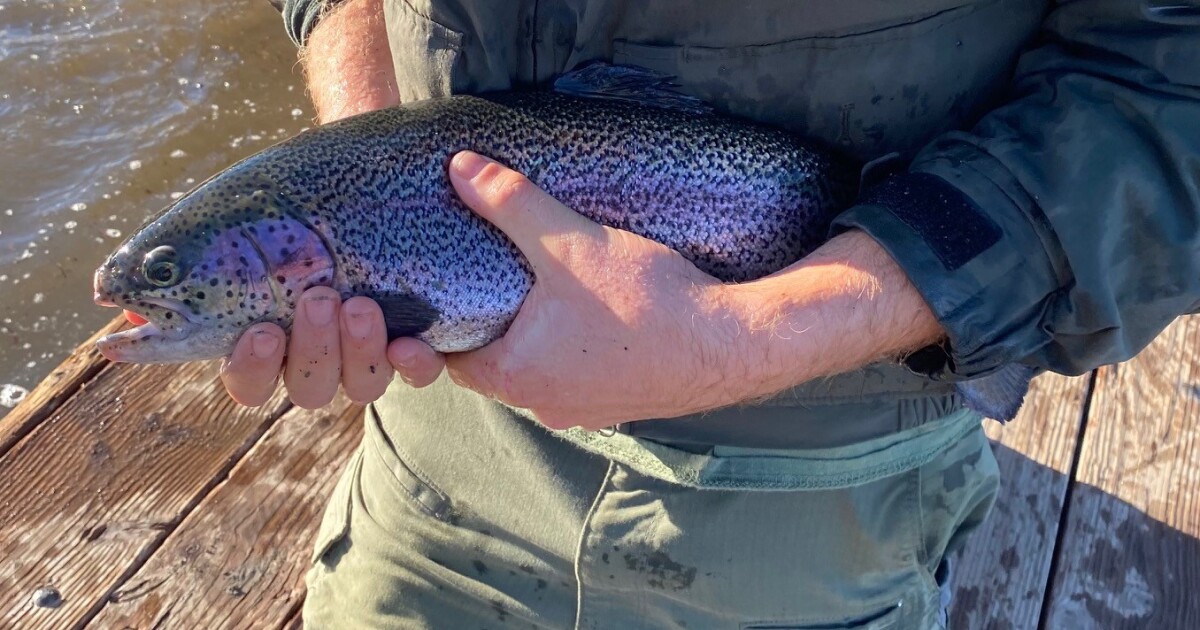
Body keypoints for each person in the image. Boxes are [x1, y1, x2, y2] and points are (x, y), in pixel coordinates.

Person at [227, 0, 1200, 627]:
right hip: (434, 472)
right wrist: (356, 170)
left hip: (814, 514)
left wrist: (747, 339)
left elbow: (1171, 85)